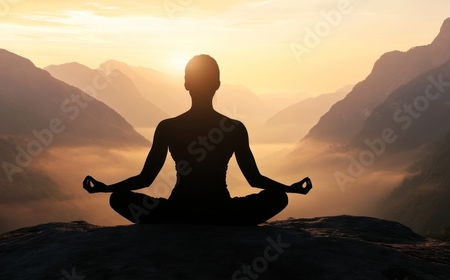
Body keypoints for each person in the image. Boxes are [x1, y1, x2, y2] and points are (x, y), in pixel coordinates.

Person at [83, 54, 312, 225]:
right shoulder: (234, 128)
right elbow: (254, 179)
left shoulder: (168, 127)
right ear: (217, 85)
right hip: (222, 212)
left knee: (118, 198)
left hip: (177, 212)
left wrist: (106, 188)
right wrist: (290, 189)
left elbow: (146, 178)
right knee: (278, 197)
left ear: (186, 84)